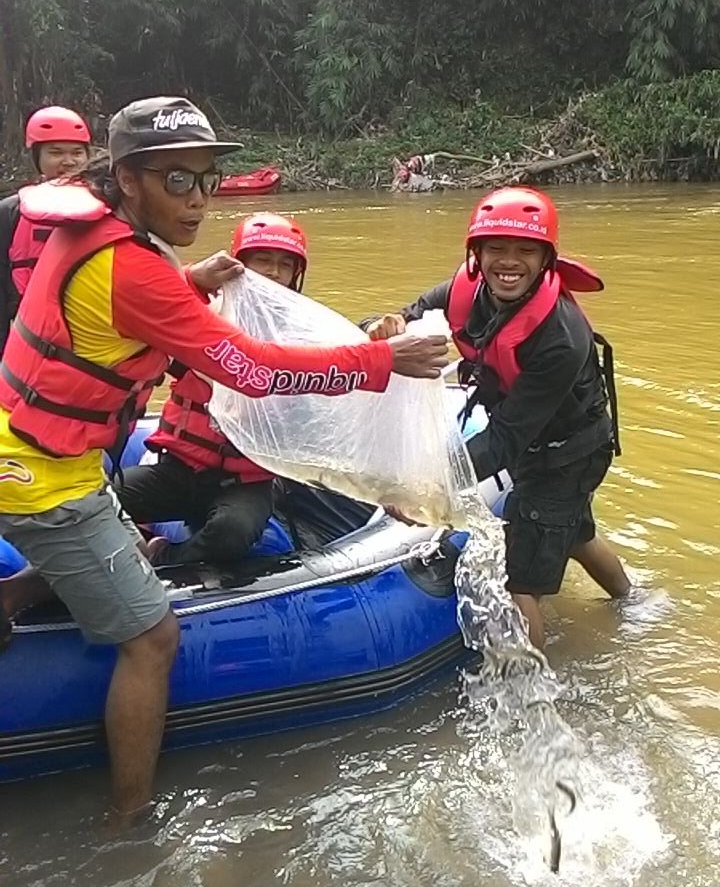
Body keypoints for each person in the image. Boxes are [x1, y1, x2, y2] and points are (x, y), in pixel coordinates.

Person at [0, 95, 448, 821]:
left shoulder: (99, 231)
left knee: (138, 546)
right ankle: (129, 822)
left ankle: (12, 601)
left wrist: (188, 283)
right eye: (178, 181)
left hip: (41, 450)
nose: (199, 198)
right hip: (43, 475)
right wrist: (383, 358)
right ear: (129, 178)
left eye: (208, 178)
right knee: (153, 637)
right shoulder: (133, 267)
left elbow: (110, 307)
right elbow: (252, 370)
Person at [362, 186, 631, 648]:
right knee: (574, 532)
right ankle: (633, 605)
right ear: (477, 255)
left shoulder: (560, 338)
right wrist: (381, 328)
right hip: (540, 438)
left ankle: (534, 701)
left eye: (526, 250)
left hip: (569, 452)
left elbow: (505, 439)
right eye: (496, 250)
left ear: (546, 259)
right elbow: (408, 316)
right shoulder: (463, 291)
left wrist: (422, 483)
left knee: (519, 583)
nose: (509, 262)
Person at [118, 212, 314, 566]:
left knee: (231, 532)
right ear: (240, 265)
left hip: (245, 482)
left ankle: (165, 558)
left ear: (294, 276)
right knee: (98, 502)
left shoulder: (304, 337)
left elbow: (348, 362)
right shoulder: (204, 317)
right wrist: (194, 278)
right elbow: (154, 302)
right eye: (263, 261)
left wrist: (381, 334)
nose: (273, 272)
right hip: (179, 470)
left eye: (284, 265)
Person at [0, 106, 92, 354]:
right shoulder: (10, 212)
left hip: (89, 333)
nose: (69, 161)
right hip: (30, 334)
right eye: (56, 153)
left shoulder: (107, 209)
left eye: (77, 153)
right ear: (37, 158)